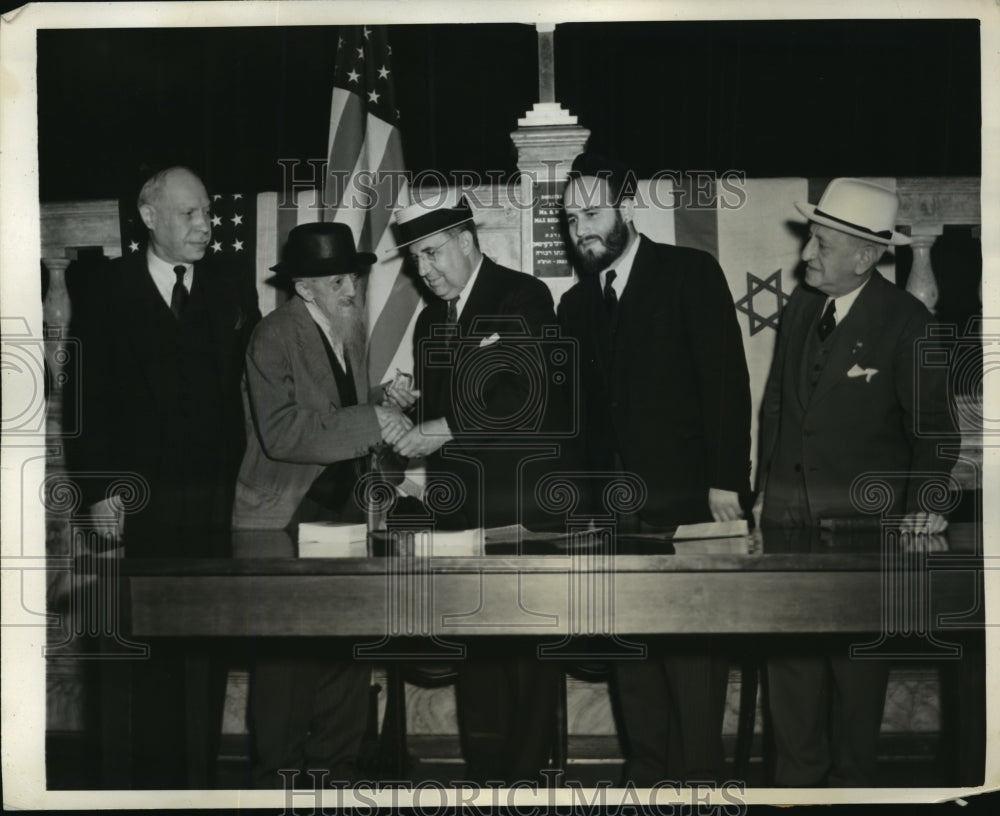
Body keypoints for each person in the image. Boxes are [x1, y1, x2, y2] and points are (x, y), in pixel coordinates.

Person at [558, 152, 752, 784]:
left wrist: (726, 482)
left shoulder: (690, 273)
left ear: (627, 203)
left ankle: (699, 783)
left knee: (692, 660)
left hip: (693, 507)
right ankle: (645, 779)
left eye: (591, 211)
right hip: (611, 520)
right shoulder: (575, 306)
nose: (580, 228)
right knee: (631, 656)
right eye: (570, 218)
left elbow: (726, 382)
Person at [756, 177, 957, 786]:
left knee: (856, 675)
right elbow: (776, 410)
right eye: (810, 240)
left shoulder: (907, 321)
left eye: (819, 244)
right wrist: (762, 494)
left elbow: (936, 434)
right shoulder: (800, 306)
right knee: (790, 674)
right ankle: (796, 790)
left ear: (866, 255)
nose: (805, 256)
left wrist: (922, 514)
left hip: (865, 537)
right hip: (787, 530)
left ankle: (854, 794)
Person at [66, 165, 260, 787]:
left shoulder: (231, 287)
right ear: (149, 218)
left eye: (206, 212)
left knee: (201, 649)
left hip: (210, 504)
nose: (205, 225)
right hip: (132, 504)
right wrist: (96, 492)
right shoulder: (102, 289)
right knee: (134, 646)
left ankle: (197, 782)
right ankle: (133, 786)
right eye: (190, 215)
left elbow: (248, 400)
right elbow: (83, 400)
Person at [388, 193, 563, 783]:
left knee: (530, 658)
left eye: (432, 252)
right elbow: (432, 423)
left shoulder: (523, 296)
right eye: (415, 260)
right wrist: (409, 417)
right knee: (477, 656)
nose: (424, 270)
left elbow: (528, 401)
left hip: (521, 512)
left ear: (466, 239)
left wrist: (441, 426)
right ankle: (487, 780)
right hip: (457, 519)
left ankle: (529, 784)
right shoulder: (430, 322)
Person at [232, 221, 412, 787]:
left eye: (353, 280)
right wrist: (370, 418)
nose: (353, 293)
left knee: (344, 650)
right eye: (339, 284)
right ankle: (275, 785)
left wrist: (384, 398)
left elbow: (335, 407)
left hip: (342, 517)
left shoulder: (344, 329)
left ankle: (339, 777)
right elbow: (283, 432)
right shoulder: (271, 335)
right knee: (288, 664)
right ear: (305, 288)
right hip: (283, 520)